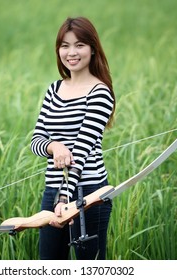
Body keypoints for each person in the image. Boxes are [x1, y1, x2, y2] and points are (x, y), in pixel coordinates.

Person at [30, 16, 116, 260]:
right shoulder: (54, 89)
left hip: (89, 194)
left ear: (92, 48)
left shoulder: (100, 92)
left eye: (79, 45)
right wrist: (54, 146)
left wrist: (66, 198)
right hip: (53, 192)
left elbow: (81, 150)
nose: (71, 52)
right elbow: (36, 141)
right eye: (65, 45)